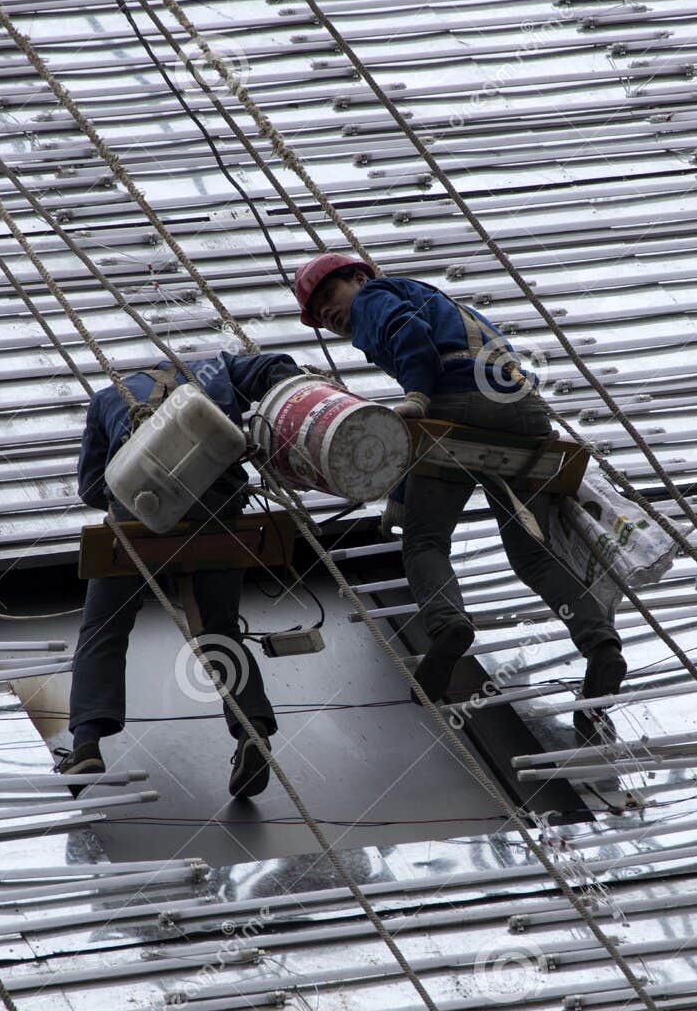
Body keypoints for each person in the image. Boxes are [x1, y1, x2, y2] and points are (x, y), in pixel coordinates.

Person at [292, 252, 626, 740]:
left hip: (458, 404)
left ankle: (448, 625)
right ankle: (600, 646)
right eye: (319, 314)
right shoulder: (435, 300)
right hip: (521, 416)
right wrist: (403, 490)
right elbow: (421, 439)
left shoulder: (378, 296)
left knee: (425, 542)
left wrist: (418, 395)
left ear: (358, 278)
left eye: (328, 296)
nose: (329, 314)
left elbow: (409, 344)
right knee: (532, 556)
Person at [60, 347, 301, 798]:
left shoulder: (107, 397)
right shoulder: (219, 369)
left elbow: (93, 486)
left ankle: (86, 743)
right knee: (220, 631)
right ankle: (253, 732)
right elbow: (275, 368)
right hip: (217, 513)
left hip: (139, 515)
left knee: (103, 629)